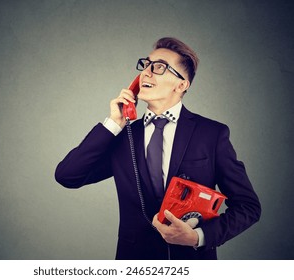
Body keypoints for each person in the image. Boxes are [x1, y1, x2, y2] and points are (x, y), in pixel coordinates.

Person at [55, 37, 261, 260]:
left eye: (159, 67)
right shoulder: (123, 137)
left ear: (182, 84)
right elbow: (68, 176)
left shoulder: (211, 134)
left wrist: (197, 237)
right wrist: (113, 124)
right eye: (145, 65)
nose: (146, 72)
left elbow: (248, 207)